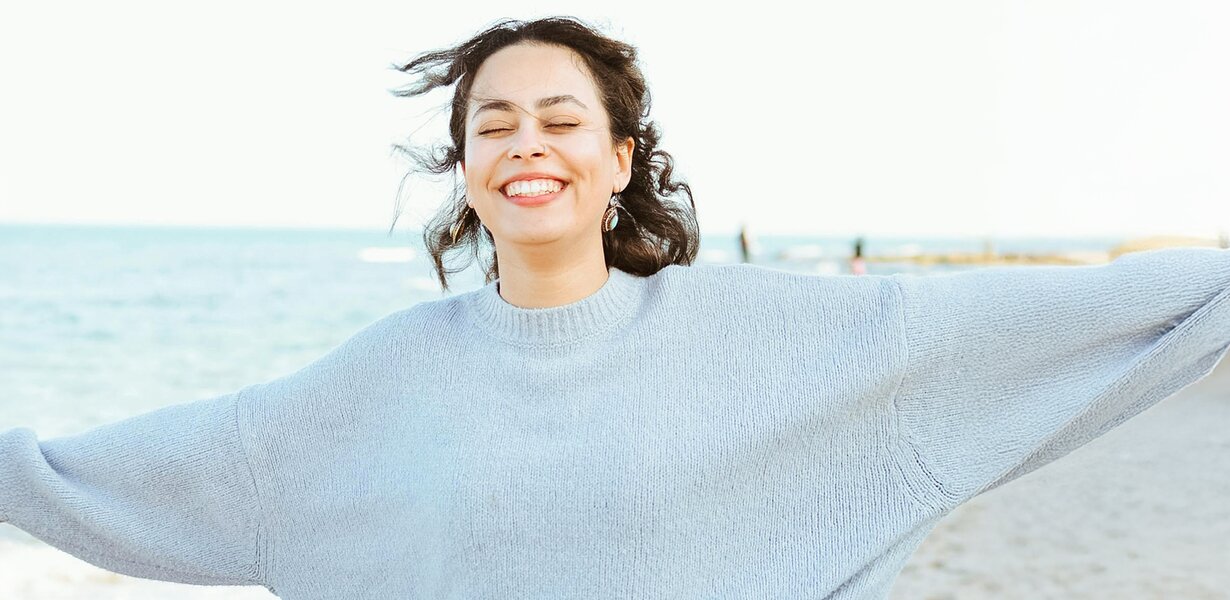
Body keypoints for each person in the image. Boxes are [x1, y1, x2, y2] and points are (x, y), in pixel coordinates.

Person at [2, 16, 1229, 600]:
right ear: (466, 170)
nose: (525, 145)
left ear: (620, 156)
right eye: (493, 124)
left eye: (558, 119)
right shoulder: (370, 378)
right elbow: (158, 471)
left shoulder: (775, 334)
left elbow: (1055, 323)